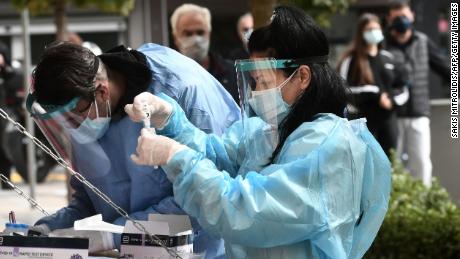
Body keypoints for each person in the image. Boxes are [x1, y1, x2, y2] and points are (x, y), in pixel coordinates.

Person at [126, 6, 391, 259]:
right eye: (254, 82)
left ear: (302, 77)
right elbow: (218, 156)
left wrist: (176, 156)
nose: (256, 93)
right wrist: (170, 119)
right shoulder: (268, 130)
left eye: (264, 81)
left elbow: (246, 210)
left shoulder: (328, 146)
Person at [26, 42, 240, 257]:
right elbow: (91, 198)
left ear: (102, 92)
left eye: (75, 117)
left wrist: (115, 235)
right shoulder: (84, 106)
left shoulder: (182, 89)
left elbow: (210, 197)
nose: (73, 128)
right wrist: (50, 228)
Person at [385, 1, 450, 186]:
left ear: (412, 16)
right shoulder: (383, 44)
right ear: (389, 19)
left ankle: (421, 207)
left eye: (404, 16)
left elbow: (445, 67)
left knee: (421, 162)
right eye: (397, 18)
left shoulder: (422, 41)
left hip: (419, 112)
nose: (401, 21)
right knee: (392, 163)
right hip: (392, 114)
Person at [337, 13, 403, 157]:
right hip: (361, 121)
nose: (373, 32)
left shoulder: (388, 58)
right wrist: (376, 95)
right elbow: (343, 90)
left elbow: (402, 87)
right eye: (369, 29)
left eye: (376, 28)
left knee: (389, 161)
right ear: (361, 33)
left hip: (388, 121)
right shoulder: (351, 60)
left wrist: (391, 100)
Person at [170, 3, 240, 104]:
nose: (196, 40)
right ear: (175, 37)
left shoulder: (234, 73)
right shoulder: (168, 76)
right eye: (188, 33)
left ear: (209, 34)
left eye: (200, 32)